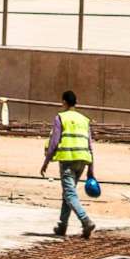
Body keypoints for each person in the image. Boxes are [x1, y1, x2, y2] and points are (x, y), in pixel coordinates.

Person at [38, 88, 95, 238]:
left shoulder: (61, 117)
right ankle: (62, 226)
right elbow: (90, 144)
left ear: (64, 102)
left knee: (69, 194)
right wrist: (91, 168)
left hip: (68, 159)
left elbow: (54, 141)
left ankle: (86, 221)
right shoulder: (84, 119)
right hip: (83, 159)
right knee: (68, 194)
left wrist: (46, 161)